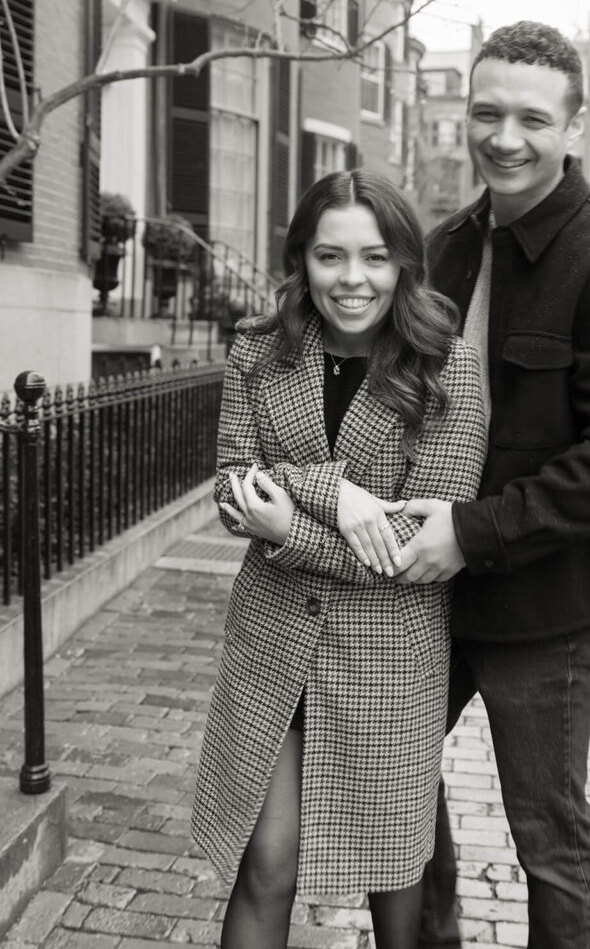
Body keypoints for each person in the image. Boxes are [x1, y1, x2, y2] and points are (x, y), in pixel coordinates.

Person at [350, 22, 590, 947]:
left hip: (545, 611)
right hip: (426, 593)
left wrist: (474, 531)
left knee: (550, 840)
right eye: (486, 112)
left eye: (532, 118)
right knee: (398, 790)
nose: (505, 137)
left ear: (577, 124)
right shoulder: (443, 245)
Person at [191, 169, 487, 949]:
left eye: (375, 258)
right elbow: (231, 487)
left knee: (397, 889)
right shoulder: (260, 350)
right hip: (272, 648)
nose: (352, 280)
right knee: (266, 868)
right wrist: (341, 495)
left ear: (403, 266)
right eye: (330, 257)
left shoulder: (447, 366)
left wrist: (291, 524)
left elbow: (415, 549)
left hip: (388, 658)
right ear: (302, 259)